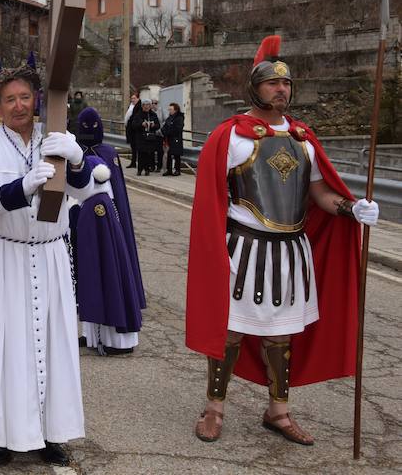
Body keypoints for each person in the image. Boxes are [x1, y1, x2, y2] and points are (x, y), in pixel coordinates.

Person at [187, 35, 380, 446]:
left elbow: (319, 193)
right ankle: (214, 408)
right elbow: (211, 203)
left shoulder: (303, 139)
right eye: (272, 82)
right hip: (244, 248)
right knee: (230, 332)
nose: (281, 89)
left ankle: (278, 411)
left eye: (286, 83)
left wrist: (351, 209)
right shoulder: (231, 137)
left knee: (282, 336)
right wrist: (213, 253)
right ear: (254, 89)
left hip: (291, 251)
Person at [0, 66, 95, 468]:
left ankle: (52, 433)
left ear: (37, 98)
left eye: (25, 96)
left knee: (55, 345)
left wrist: (77, 161)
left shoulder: (54, 137)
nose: (19, 105)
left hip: (51, 252)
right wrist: (22, 186)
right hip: (4, 254)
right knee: (4, 347)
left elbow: (87, 190)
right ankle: (3, 435)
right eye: (10, 99)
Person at [70, 156, 144, 355]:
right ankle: (94, 337)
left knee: (108, 286)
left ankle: (115, 342)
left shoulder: (96, 205)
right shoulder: (99, 200)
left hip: (102, 266)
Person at [129, 99, 159, 176]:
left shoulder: (153, 115)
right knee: (141, 154)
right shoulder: (138, 114)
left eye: (148, 105)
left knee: (148, 154)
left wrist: (153, 125)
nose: (146, 107)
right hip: (140, 137)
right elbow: (133, 125)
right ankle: (139, 169)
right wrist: (141, 124)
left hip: (150, 137)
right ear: (142, 106)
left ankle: (147, 169)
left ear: (150, 106)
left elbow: (158, 125)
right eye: (145, 105)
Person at [161, 102, 184, 176]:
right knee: (169, 155)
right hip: (169, 139)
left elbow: (178, 129)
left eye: (171, 109)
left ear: (175, 110)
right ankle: (169, 170)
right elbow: (164, 127)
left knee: (176, 155)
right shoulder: (169, 118)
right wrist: (165, 132)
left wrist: (168, 131)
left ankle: (177, 170)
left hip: (176, 139)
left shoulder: (179, 118)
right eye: (169, 109)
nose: (169, 111)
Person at [124, 93, 139, 168]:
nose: (132, 100)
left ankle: (135, 162)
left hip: (134, 130)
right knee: (133, 147)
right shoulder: (130, 106)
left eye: (134, 98)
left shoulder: (138, 107)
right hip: (129, 129)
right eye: (132, 98)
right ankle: (133, 162)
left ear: (137, 99)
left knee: (136, 147)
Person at [150, 99, 164, 171]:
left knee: (159, 151)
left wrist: (161, 129)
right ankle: (152, 166)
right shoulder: (150, 112)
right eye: (152, 103)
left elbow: (164, 120)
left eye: (155, 103)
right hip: (152, 133)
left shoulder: (161, 111)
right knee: (151, 150)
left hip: (159, 134)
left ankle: (159, 166)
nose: (153, 104)